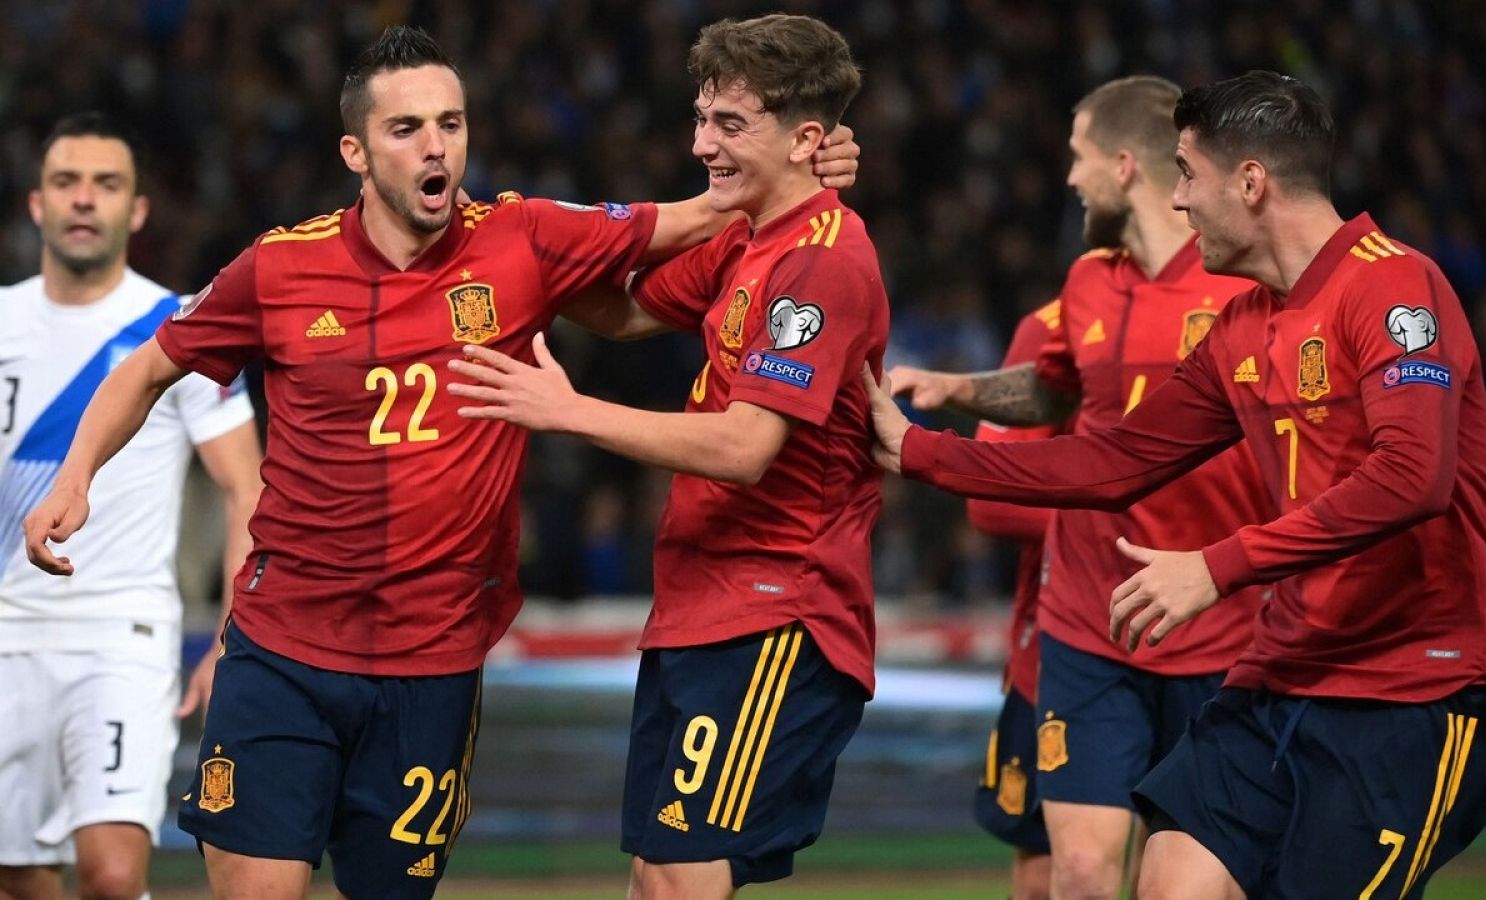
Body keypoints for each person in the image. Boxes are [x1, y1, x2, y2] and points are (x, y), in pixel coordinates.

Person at [21, 26, 858, 900]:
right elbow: (149, 366)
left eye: (451, 124)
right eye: (407, 128)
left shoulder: (523, 236)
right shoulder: (279, 266)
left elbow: (701, 213)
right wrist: (75, 476)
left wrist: (808, 159)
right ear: (355, 149)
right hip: (283, 649)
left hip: (435, 662)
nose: (436, 147)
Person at [864, 70, 1486, 900]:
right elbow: (1114, 459)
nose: (1176, 202)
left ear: (1251, 183)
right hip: (1280, 677)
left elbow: (1411, 476)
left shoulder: (1394, 286)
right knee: (1170, 881)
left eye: (1188, 175)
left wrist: (1217, 564)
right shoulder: (1245, 324)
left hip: (1412, 691)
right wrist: (923, 453)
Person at [446, 14, 886, 898]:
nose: (701, 145)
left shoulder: (823, 261)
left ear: (807, 140)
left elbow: (746, 446)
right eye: (700, 119)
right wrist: (512, 244)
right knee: (659, 875)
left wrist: (567, 412)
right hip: (701, 603)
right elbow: (622, 309)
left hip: (777, 609)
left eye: (728, 124)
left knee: (684, 873)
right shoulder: (746, 237)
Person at [887, 75, 1270, 900]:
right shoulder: (1090, 279)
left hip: (1218, 623)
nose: (1069, 178)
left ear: (1126, 166)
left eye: (1079, 157)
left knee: (1188, 886)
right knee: (1084, 871)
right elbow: (1058, 391)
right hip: (1088, 622)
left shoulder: (1244, 283)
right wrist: (960, 389)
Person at [0, 114, 262, 900]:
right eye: (67, 183)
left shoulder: (182, 326)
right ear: (37, 205)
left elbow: (246, 488)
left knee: (113, 875)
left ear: (138, 210)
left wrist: (230, 638)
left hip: (124, 633)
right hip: (7, 632)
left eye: (106, 185)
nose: (86, 199)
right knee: (12, 874)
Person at [962, 301, 1064, 900]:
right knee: (1051, 859)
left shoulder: (1247, 313)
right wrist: (1130, 522)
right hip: (1059, 646)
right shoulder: (1054, 324)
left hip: (1220, 635)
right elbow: (991, 496)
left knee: (1191, 858)